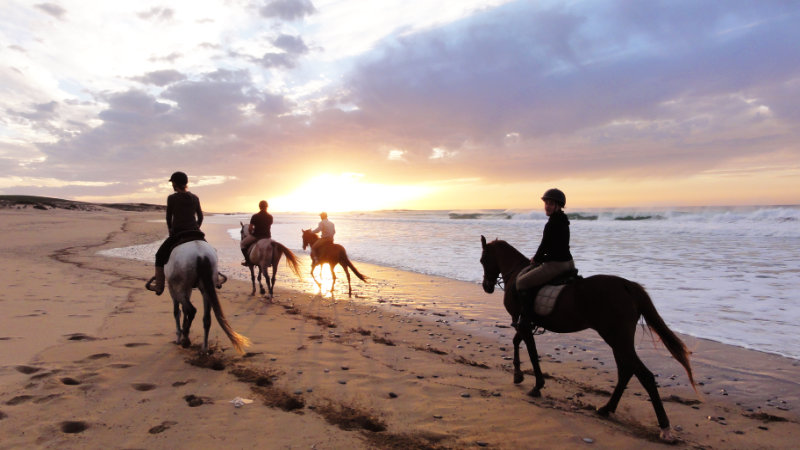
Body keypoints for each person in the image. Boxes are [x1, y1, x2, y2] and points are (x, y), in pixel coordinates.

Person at [150, 171, 203, 295]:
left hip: (179, 233)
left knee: (159, 255)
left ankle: (159, 285)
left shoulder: (172, 198)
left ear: (175, 183)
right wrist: (196, 228)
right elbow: (200, 217)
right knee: (210, 250)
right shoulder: (195, 198)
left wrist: (170, 230)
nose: (172, 185)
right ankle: (215, 277)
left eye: (172, 183)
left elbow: (169, 218)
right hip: (195, 232)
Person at [516, 188, 575, 294]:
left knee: (521, 283)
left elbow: (544, 245)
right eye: (546, 203)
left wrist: (537, 259)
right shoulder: (564, 220)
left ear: (558, 206)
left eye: (551, 204)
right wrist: (541, 257)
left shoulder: (552, 224)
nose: (547, 206)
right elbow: (556, 246)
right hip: (569, 262)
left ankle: (527, 311)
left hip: (557, 264)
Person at [240, 200, 273, 265]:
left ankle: (247, 261)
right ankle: (270, 262)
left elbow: (250, 228)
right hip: (267, 237)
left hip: (257, 236)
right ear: (267, 207)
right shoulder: (270, 216)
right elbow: (267, 226)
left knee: (242, 244)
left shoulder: (255, 216)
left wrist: (251, 232)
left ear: (259, 207)